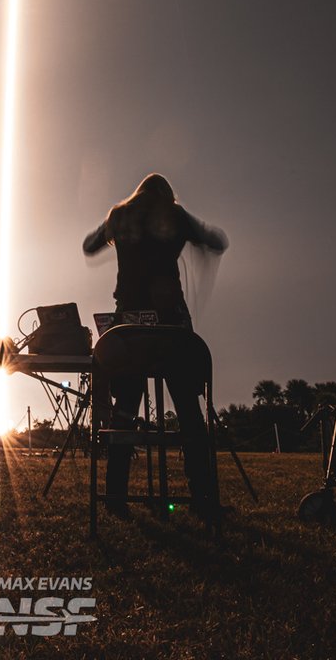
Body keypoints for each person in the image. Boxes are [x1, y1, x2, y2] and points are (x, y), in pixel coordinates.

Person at [83, 173, 229, 518]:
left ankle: (115, 496)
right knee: (189, 411)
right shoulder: (174, 214)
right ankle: (203, 497)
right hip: (170, 329)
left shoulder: (120, 214)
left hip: (129, 329)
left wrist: (115, 230)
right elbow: (215, 240)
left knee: (124, 410)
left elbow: (90, 245)